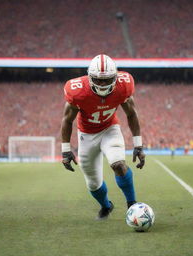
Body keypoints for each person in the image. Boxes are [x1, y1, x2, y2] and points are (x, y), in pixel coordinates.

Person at [61, 54, 145, 220]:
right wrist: (65, 150)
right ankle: (106, 206)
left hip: (109, 129)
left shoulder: (123, 86)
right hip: (86, 135)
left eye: (107, 79)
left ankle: (132, 205)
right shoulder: (78, 91)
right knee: (93, 183)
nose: (102, 83)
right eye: (98, 80)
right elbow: (67, 119)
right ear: (90, 77)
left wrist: (138, 145)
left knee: (119, 164)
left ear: (115, 77)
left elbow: (132, 114)